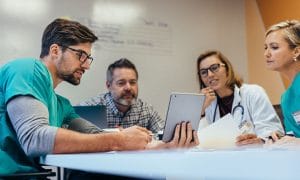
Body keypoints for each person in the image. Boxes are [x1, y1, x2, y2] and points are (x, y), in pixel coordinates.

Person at [0, 18, 198, 175]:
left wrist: (163, 146)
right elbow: (35, 138)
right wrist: (120, 140)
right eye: (81, 55)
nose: (86, 65)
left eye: (89, 58)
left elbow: (98, 136)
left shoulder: (62, 105)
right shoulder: (28, 69)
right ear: (55, 50)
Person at [197, 50, 284, 146]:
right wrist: (201, 110)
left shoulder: (253, 93)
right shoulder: (208, 105)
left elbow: (273, 132)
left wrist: (260, 140)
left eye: (214, 68)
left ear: (227, 69)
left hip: (256, 155)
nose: (210, 75)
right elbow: (200, 142)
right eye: (204, 72)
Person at [79, 58, 163, 133]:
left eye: (132, 82)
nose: (128, 87)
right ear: (109, 86)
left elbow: (164, 136)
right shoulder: (89, 109)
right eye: (121, 83)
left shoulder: (145, 109)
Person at [264, 20, 300, 144]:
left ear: (296, 51)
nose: (266, 54)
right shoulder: (286, 98)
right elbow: (293, 137)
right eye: (266, 48)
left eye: (274, 47)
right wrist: (279, 139)